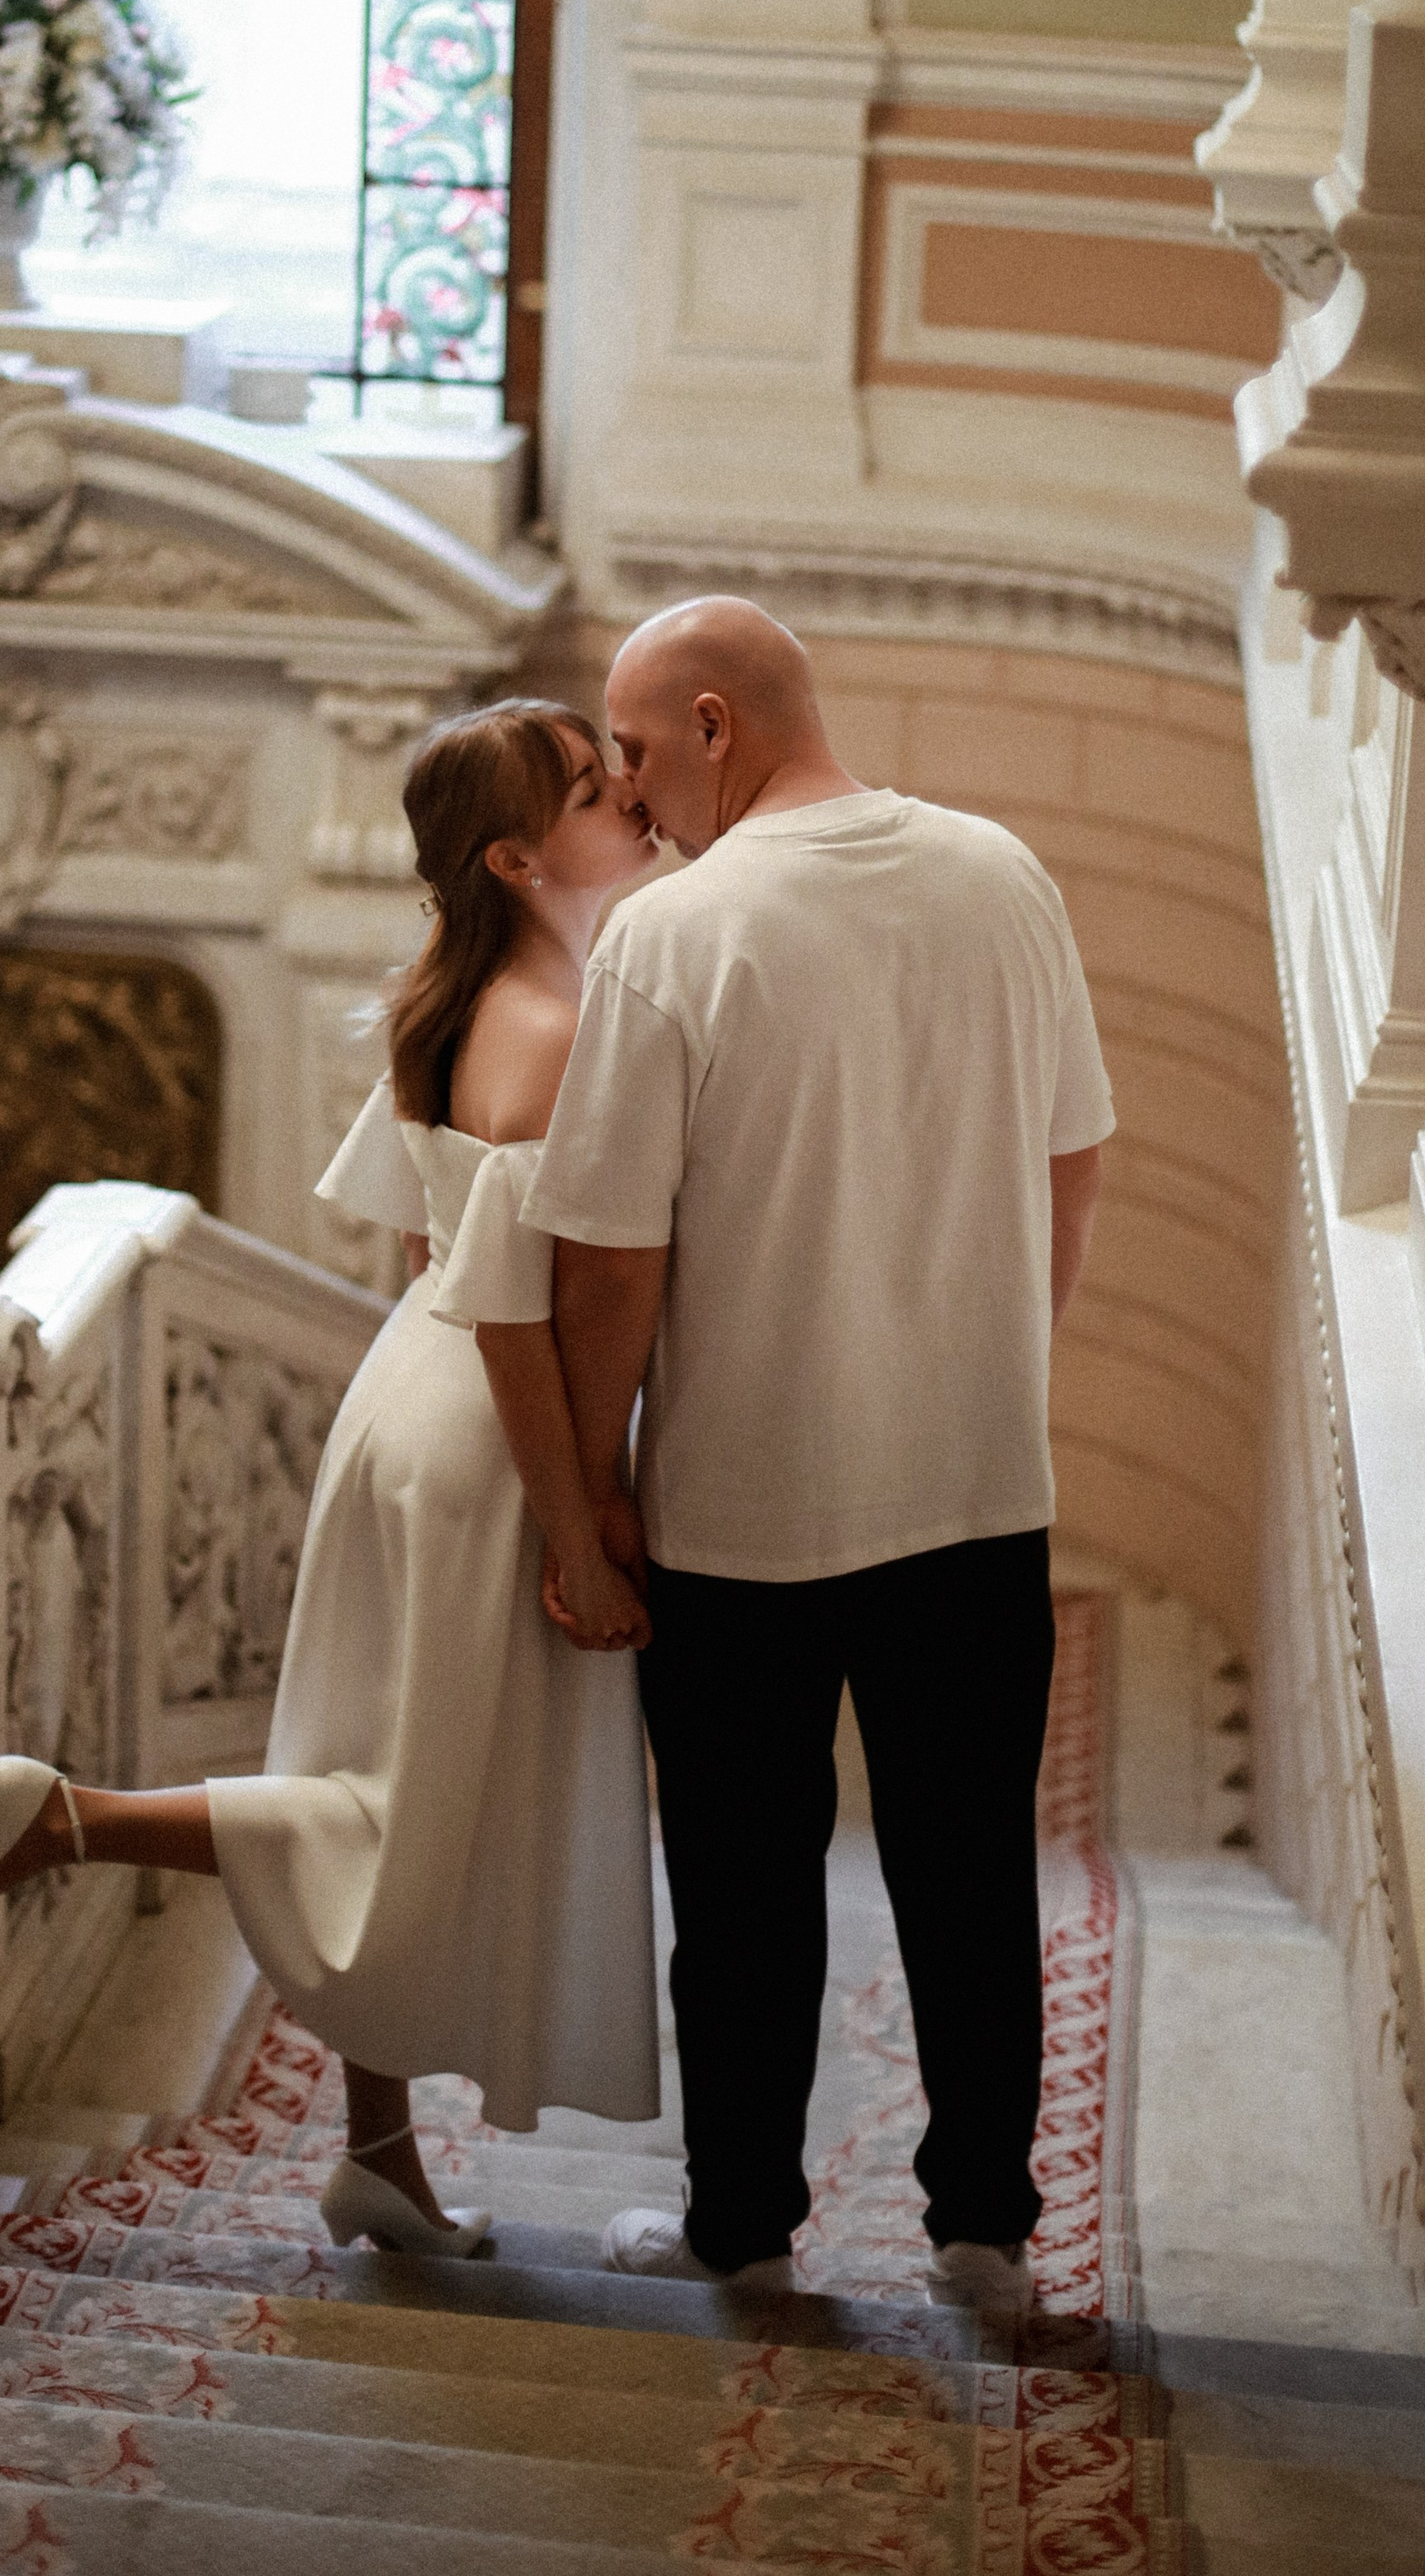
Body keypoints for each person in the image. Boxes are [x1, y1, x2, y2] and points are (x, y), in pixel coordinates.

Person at [0, 699, 662, 2255]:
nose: (630, 796)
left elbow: (421, 1248)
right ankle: (63, 1819)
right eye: (596, 787)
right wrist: (579, 1515)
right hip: (488, 1433)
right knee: (406, 1812)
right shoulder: (561, 1022)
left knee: (381, 1768)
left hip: (415, 1393)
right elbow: (521, 1306)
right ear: (520, 857)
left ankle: (377, 2151)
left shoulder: (464, 999)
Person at [524, 597, 1112, 2311]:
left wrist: (591, 1490)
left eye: (633, 751)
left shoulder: (671, 934)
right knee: (966, 1871)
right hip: (974, 1490)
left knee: (742, 1889)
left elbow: (614, 1263)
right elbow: (1071, 1160)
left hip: (740, 1512)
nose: (626, 796)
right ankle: (982, 2234)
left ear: (714, 722)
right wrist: (999, 1361)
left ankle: (742, 2224)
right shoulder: (1002, 874)